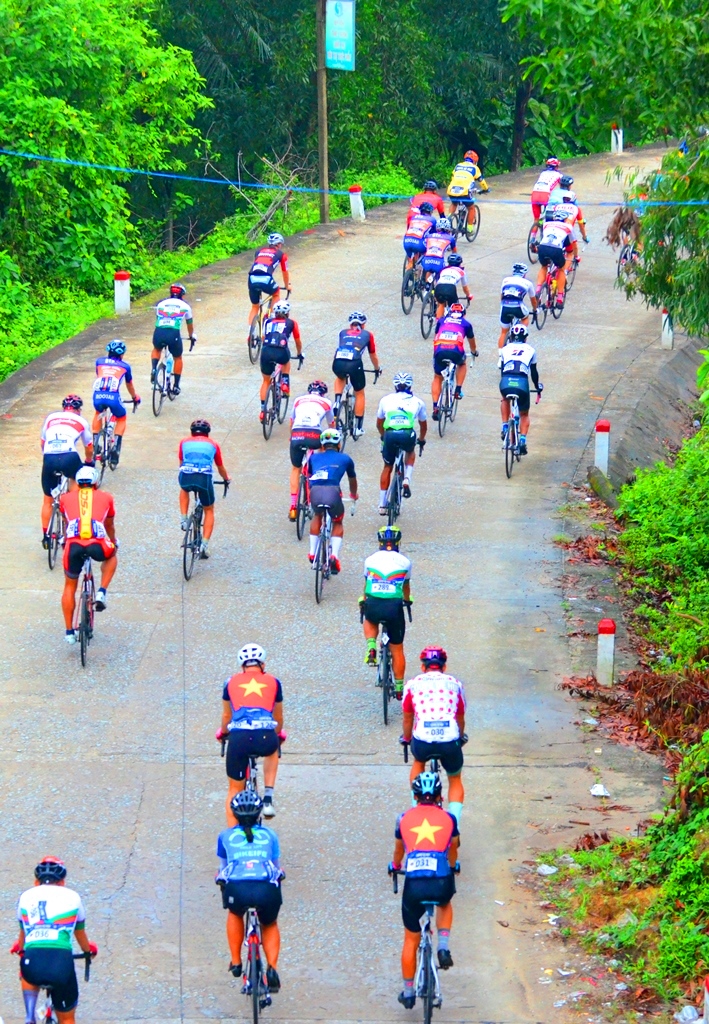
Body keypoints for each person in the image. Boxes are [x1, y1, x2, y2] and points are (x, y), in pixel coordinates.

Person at [389, 773, 459, 1008]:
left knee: (411, 938)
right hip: (440, 880)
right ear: (440, 796)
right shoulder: (449, 818)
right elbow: (454, 848)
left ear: (415, 796)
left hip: (414, 885)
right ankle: (443, 946)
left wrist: (395, 867)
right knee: (445, 903)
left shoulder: (404, 819)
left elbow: (398, 853)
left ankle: (408, 993)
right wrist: (452, 866)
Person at [12, 857, 98, 1024]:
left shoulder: (25, 896)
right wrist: (88, 951)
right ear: (62, 882)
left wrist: (20, 948)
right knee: (67, 1019)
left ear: (36, 882)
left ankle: (30, 1015)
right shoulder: (73, 897)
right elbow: (80, 934)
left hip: (33, 961)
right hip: (60, 964)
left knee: (27, 964)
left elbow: (24, 932)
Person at [216, 791, 284, 991]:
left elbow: (223, 869)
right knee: (269, 924)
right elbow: (276, 868)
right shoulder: (270, 835)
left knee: (235, 913)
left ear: (234, 814)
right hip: (265, 888)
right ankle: (272, 967)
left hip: (238, 888)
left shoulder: (225, 836)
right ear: (259, 815)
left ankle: (236, 962)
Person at [216, 644, 284, 822]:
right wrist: (276, 735)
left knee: (233, 790)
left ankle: (232, 837)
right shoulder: (274, 682)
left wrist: (223, 733)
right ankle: (268, 797)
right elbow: (278, 717)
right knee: (272, 747)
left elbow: (226, 716)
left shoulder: (230, 682)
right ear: (262, 664)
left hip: (239, 738)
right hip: (264, 736)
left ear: (242, 665)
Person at [401, 647, 467, 823]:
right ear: (444, 667)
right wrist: (460, 737)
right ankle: (454, 825)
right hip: (449, 739)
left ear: (423, 667)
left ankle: (416, 813)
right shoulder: (455, 684)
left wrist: (406, 739)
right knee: (454, 778)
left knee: (418, 761)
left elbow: (408, 718)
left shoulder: (412, 684)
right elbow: (460, 717)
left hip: (423, 740)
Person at [59, 466, 117, 643]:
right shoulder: (106, 497)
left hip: (73, 545)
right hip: (96, 543)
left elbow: (66, 520)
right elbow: (109, 525)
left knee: (69, 586)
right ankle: (101, 591)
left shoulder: (64, 498)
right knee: (112, 555)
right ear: (96, 482)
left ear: (77, 482)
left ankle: (69, 632)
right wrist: (114, 541)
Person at [360, 525, 412, 695]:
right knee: (397, 649)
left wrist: (363, 600)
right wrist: (407, 601)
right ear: (398, 542)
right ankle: (398, 688)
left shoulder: (370, 560)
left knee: (369, 617)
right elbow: (405, 587)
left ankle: (371, 646)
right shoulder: (405, 562)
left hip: (374, 601)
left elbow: (367, 585)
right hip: (393, 607)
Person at [40, 396, 94, 548]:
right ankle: (70, 529)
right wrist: (89, 462)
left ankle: (46, 536)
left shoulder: (51, 418)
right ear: (78, 410)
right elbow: (89, 446)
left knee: (47, 500)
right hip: (69, 456)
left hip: (49, 457)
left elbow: (43, 443)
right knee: (75, 487)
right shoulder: (81, 421)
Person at [306, 428, 358, 574]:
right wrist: (353, 495)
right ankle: (334, 555)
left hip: (315, 492)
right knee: (337, 521)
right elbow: (352, 480)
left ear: (322, 445)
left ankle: (312, 552)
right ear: (339, 444)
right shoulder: (345, 459)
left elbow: (309, 476)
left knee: (317, 515)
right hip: (333, 492)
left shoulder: (313, 458)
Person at [178, 420, 230, 559]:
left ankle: (183, 520)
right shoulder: (213, 444)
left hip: (186, 475)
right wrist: (226, 479)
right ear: (208, 434)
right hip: (203, 478)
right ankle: (204, 546)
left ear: (191, 432)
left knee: (184, 489)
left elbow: (181, 463)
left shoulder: (184, 442)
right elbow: (220, 467)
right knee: (209, 509)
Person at [376, 373, 427, 513]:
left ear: (395, 385)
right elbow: (423, 425)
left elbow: (379, 423)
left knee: (387, 466)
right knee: (410, 451)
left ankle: (381, 504)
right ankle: (407, 479)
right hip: (407, 434)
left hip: (389, 434)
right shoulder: (418, 401)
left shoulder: (385, 400)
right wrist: (421, 440)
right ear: (410, 385)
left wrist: (383, 436)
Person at [287, 381, 333, 521]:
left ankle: (293, 507)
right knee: (318, 462)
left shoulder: (298, 400)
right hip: (314, 434)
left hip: (297, 433)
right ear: (323, 393)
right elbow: (332, 426)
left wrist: (292, 438)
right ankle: (314, 490)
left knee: (296, 468)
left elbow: (291, 422)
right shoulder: (326, 402)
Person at [91, 340, 140, 467]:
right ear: (122, 354)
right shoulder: (125, 366)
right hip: (113, 396)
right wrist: (135, 397)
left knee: (98, 412)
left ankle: (95, 441)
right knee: (122, 417)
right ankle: (115, 448)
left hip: (98, 395)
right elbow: (129, 385)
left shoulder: (99, 362)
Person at [331, 312, 381, 437]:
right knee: (359, 393)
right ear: (363, 325)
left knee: (340, 376)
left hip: (338, 361)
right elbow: (372, 355)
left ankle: (337, 401)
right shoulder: (367, 335)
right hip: (354, 363)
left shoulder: (343, 332)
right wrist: (377, 369)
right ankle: (358, 428)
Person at [498, 324, 543, 455]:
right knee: (524, 414)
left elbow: (502, 369)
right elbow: (534, 373)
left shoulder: (504, 349)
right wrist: (537, 387)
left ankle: (505, 425)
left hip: (506, 380)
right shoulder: (531, 350)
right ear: (525, 338)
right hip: (522, 383)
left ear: (511, 337)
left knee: (505, 399)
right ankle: (522, 440)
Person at [431, 303, 477, 420]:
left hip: (440, 349)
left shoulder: (442, 320)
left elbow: (437, 334)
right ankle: (458, 389)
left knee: (437, 377)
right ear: (464, 315)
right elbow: (472, 342)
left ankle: (435, 406)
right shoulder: (466, 324)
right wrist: (474, 352)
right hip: (455, 350)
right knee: (462, 363)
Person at [259, 301, 303, 421]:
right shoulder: (291, 323)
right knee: (286, 362)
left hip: (266, 352)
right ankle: (284, 382)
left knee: (266, 381)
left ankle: (263, 410)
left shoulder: (267, 321)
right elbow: (298, 341)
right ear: (287, 313)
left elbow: (263, 338)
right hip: (281, 351)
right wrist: (299, 354)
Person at [151, 284, 195, 396]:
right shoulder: (185, 306)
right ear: (182, 295)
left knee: (157, 349)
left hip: (159, 331)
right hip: (173, 334)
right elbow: (189, 324)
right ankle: (176, 386)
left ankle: (154, 369)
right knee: (178, 357)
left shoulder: (160, 304)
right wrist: (191, 336)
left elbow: (158, 319)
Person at [248, 233, 291, 330]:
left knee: (255, 306)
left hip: (251, 278)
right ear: (279, 244)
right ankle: (272, 318)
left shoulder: (258, 251)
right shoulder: (281, 255)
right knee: (276, 293)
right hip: (266, 278)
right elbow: (285, 272)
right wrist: (287, 285)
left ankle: (250, 334)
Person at [535, 209, 575, 307]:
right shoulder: (568, 227)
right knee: (561, 270)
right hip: (556, 249)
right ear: (564, 219)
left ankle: (538, 289)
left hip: (543, 247)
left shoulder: (546, 224)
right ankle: (560, 298)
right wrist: (573, 254)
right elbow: (571, 247)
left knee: (544, 267)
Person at [497, 263, 538, 347]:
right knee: (525, 317)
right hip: (518, 306)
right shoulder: (528, 283)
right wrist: (535, 310)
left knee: (503, 332)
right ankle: (521, 335)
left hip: (505, 305)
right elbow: (533, 300)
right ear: (524, 274)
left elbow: (502, 296)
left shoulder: (505, 280)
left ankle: (500, 356)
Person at [446, 149, 489, 220]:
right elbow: (481, 181)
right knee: (471, 208)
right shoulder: (475, 168)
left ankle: (448, 222)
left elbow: (453, 176)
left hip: (452, 190)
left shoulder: (458, 165)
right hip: (465, 192)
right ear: (475, 161)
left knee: (454, 203)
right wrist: (485, 189)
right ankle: (470, 228)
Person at [433, 252, 472, 319]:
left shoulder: (443, 269)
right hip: (450, 288)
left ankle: (438, 324)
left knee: (441, 305)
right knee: (455, 308)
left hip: (439, 287)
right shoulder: (461, 271)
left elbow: (437, 281)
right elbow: (465, 287)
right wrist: (469, 295)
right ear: (460, 263)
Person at [403, 202, 437, 269]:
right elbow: (434, 235)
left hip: (406, 242)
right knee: (428, 249)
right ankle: (422, 268)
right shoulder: (432, 219)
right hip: (419, 245)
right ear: (430, 212)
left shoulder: (414, 217)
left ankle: (410, 261)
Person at [420, 219, 455, 284]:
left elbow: (424, 247)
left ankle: (427, 287)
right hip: (439, 262)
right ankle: (436, 287)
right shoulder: (450, 238)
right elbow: (455, 254)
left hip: (427, 261)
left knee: (429, 270)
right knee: (441, 273)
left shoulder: (429, 236)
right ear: (448, 230)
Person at [530, 157, 562, 222]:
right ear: (556, 167)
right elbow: (563, 187)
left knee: (536, 219)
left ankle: (533, 231)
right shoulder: (558, 175)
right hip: (545, 194)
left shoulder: (543, 173)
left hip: (535, 193)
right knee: (550, 215)